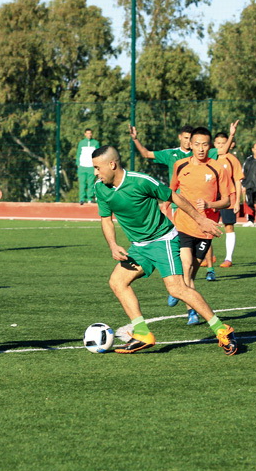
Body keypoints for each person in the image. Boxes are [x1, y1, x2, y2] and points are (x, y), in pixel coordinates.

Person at [91, 145, 237, 356]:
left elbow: (174, 197)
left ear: (112, 164)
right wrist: (113, 245)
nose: (96, 173)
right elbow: (106, 219)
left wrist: (200, 220)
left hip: (162, 241)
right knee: (117, 282)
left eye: (98, 168)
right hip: (139, 247)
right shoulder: (100, 188)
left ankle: (222, 330)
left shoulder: (141, 181)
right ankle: (142, 334)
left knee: (177, 289)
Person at [170, 127, 236, 324]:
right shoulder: (180, 165)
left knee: (193, 271)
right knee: (186, 264)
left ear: (210, 146)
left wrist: (210, 205)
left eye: (205, 145)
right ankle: (191, 311)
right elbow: (171, 191)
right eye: (197, 144)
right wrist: (165, 208)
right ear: (190, 144)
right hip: (182, 224)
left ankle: (180, 289)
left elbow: (227, 201)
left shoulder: (218, 168)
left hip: (206, 228)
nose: (200, 149)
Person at [213, 124, 243, 268]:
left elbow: (237, 180)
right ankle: (208, 256)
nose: (220, 145)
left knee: (228, 226)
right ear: (213, 144)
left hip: (228, 199)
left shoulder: (232, 159)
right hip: (211, 199)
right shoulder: (210, 158)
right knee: (207, 227)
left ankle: (228, 258)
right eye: (218, 143)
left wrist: (237, 201)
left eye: (223, 143)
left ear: (229, 144)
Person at [76, 128, 100, 204]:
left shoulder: (95, 143)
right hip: (82, 166)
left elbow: (98, 154)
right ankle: (81, 199)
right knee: (82, 183)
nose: (89, 135)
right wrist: (78, 164)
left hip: (91, 167)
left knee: (91, 183)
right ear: (85, 134)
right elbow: (78, 154)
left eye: (90, 133)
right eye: (87, 133)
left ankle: (90, 198)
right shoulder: (81, 143)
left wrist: (97, 165)